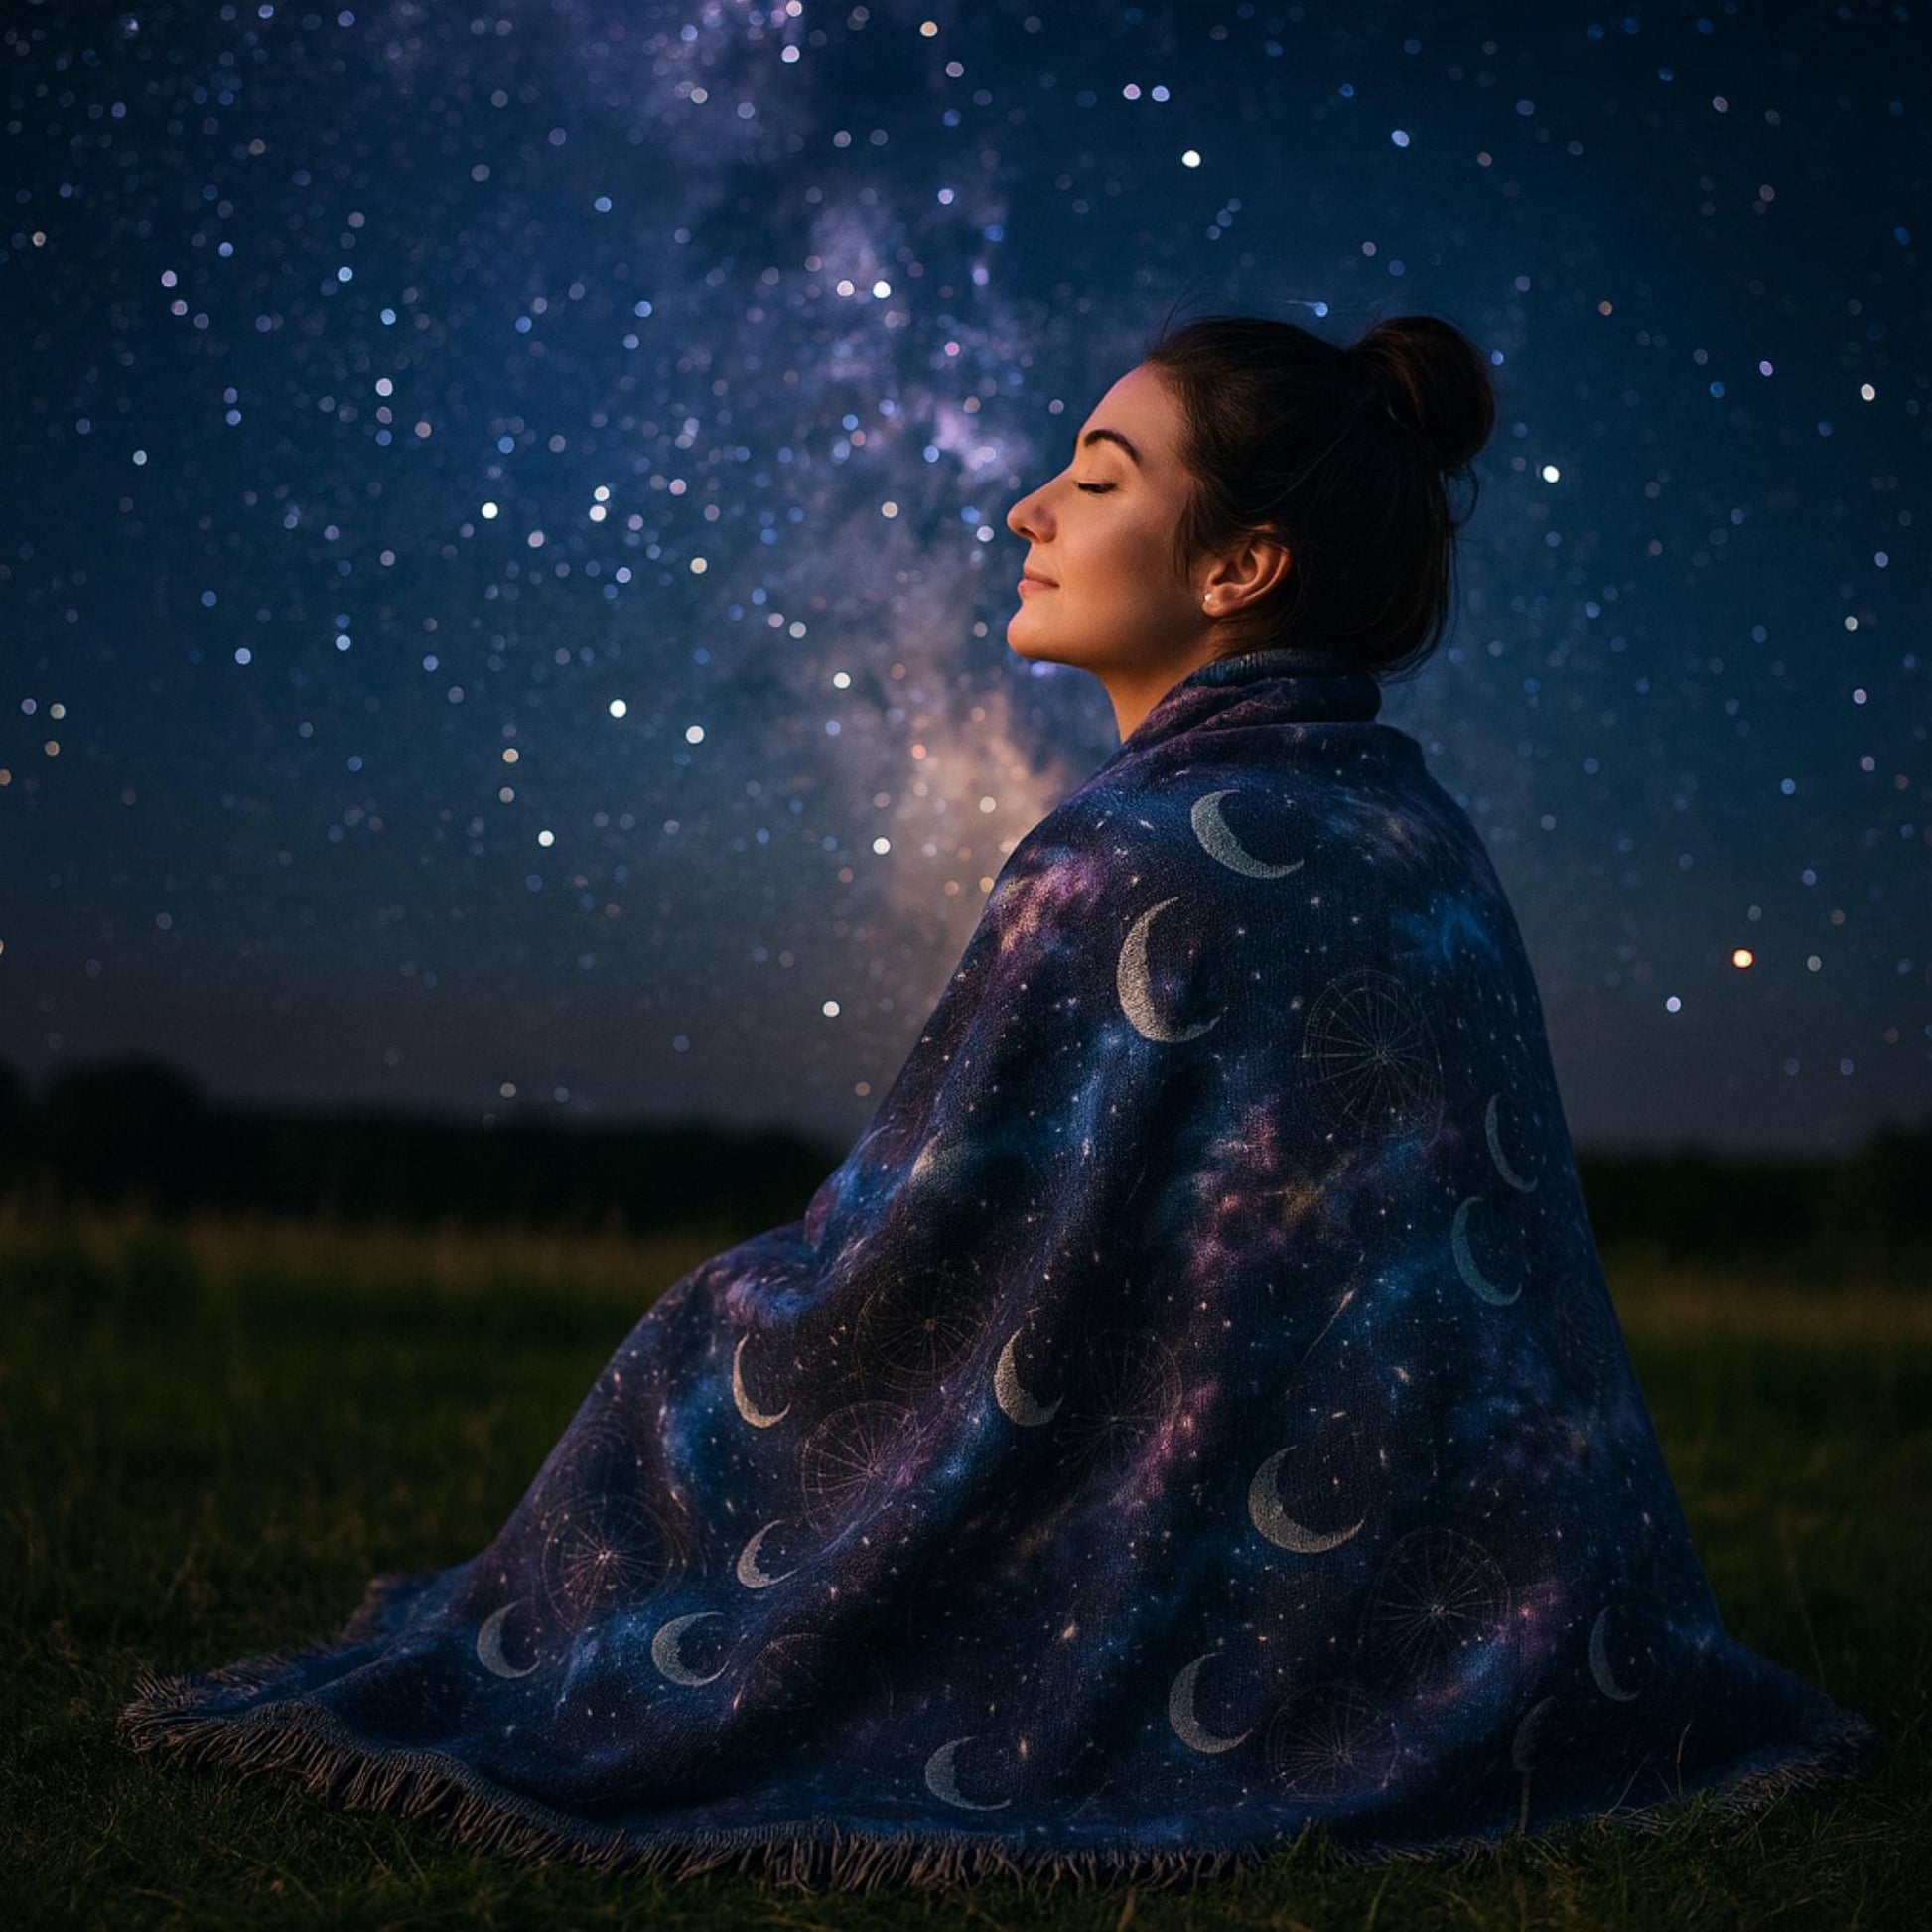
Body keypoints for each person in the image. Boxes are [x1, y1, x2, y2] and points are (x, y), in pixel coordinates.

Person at [119, 309, 1880, 1893]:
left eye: (1098, 476)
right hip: (1515, 1604)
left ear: (1241, 559)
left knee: (695, 1361)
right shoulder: (1417, 833)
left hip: (1232, 1609)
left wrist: (712, 1342)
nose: (1025, 508)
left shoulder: (1120, 858)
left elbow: (922, 1257)